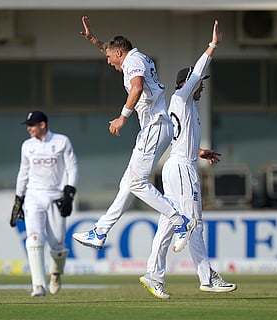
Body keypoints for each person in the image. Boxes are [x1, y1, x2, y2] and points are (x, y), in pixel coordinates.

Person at [72, 16, 195, 253]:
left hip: (155, 126)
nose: (108, 62)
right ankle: (100, 231)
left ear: (119, 53)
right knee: (128, 183)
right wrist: (93, 40)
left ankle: (180, 222)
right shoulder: (133, 58)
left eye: (109, 57)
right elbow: (115, 56)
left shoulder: (133, 62)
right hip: (156, 128)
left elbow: (137, 86)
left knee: (137, 183)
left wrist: (122, 117)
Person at [139, 20, 237, 299]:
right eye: (198, 84)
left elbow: (178, 138)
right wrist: (212, 45)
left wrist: (199, 152)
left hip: (178, 164)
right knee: (193, 221)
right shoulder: (181, 97)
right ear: (186, 84)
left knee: (170, 221)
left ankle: (153, 274)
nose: (201, 87)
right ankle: (206, 277)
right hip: (181, 169)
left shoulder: (187, 106)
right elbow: (197, 73)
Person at [10, 110, 78, 297]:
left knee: (58, 245)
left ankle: (56, 273)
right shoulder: (27, 146)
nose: (29, 129)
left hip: (56, 196)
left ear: (43, 125)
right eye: (28, 125)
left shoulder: (61, 142)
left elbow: (72, 167)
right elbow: (23, 172)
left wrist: (70, 192)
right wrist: (18, 198)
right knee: (34, 238)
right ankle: (38, 285)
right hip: (34, 195)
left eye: (32, 125)